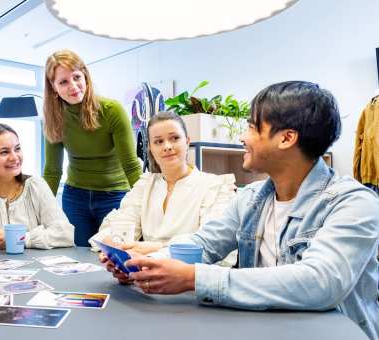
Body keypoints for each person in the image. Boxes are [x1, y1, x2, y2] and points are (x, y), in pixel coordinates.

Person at [101, 81, 379, 340]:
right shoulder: (252, 198)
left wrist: (193, 278)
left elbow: (320, 282)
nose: (242, 138)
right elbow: (204, 242)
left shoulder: (354, 203)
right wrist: (146, 266)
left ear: (286, 138)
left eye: (252, 127)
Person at [89, 112, 236, 254]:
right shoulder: (145, 185)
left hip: (189, 274)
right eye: (158, 141)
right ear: (150, 148)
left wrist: (153, 249)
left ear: (187, 141)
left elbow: (212, 245)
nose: (167, 146)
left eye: (174, 138)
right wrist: (117, 251)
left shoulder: (215, 186)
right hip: (143, 273)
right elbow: (117, 229)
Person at [43, 49, 142, 246]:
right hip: (75, 198)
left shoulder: (111, 110)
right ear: (53, 87)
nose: (73, 86)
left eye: (77, 77)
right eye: (63, 82)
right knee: (77, 256)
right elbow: (52, 172)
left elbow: (131, 165)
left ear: (85, 77)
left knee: (113, 255)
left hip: (114, 196)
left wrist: (144, 206)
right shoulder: (54, 118)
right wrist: (41, 212)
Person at [0, 123, 74, 250]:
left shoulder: (36, 185)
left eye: (17, 149)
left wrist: (18, 238)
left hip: (33, 267)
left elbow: (65, 234)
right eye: (4, 152)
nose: (15, 157)